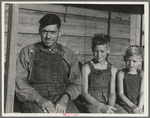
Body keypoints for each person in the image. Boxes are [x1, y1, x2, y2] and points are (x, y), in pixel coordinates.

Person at [15, 14, 82, 113]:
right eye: (45, 31)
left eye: (53, 32)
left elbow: (76, 83)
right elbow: (19, 81)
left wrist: (65, 99)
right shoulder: (28, 52)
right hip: (34, 100)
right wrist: (39, 99)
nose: (48, 36)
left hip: (61, 100)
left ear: (59, 33)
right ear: (39, 31)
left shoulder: (69, 54)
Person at [81, 33, 127, 113]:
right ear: (92, 49)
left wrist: (110, 107)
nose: (99, 54)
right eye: (96, 51)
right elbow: (84, 93)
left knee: (123, 114)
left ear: (108, 50)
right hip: (91, 104)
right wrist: (101, 106)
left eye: (102, 51)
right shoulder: (86, 68)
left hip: (108, 103)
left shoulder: (113, 69)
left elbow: (112, 93)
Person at [117, 45, 144, 114]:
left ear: (140, 61)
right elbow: (121, 94)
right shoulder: (121, 74)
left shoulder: (142, 74)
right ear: (124, 59)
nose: (131, 64)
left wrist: (140, 107)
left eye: (134, 61)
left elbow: (142, 92)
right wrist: (133, 106)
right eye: (128, 60)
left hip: (138, 103)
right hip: (125, 104)